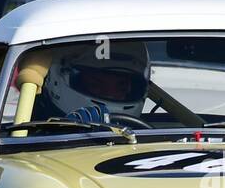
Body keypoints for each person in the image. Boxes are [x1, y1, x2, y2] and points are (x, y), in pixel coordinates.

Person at [12, 43, 151, 127]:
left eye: (121, 86)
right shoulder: (26, 133)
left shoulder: (149, 138)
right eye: (97, 84)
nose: (110, 93)